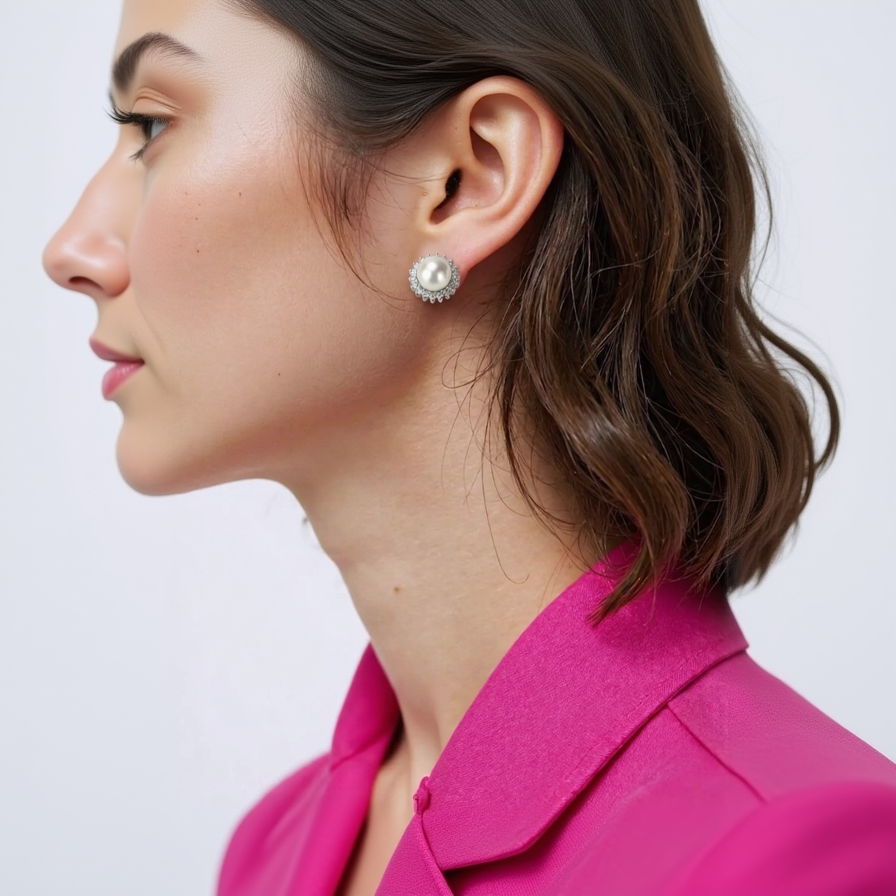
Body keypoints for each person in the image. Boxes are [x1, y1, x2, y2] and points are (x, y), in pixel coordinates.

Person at [42, 0, 896, 893]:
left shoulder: (793, 857)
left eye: (151, 125)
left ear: (469, 177)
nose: (71, 250)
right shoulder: (270, 854)